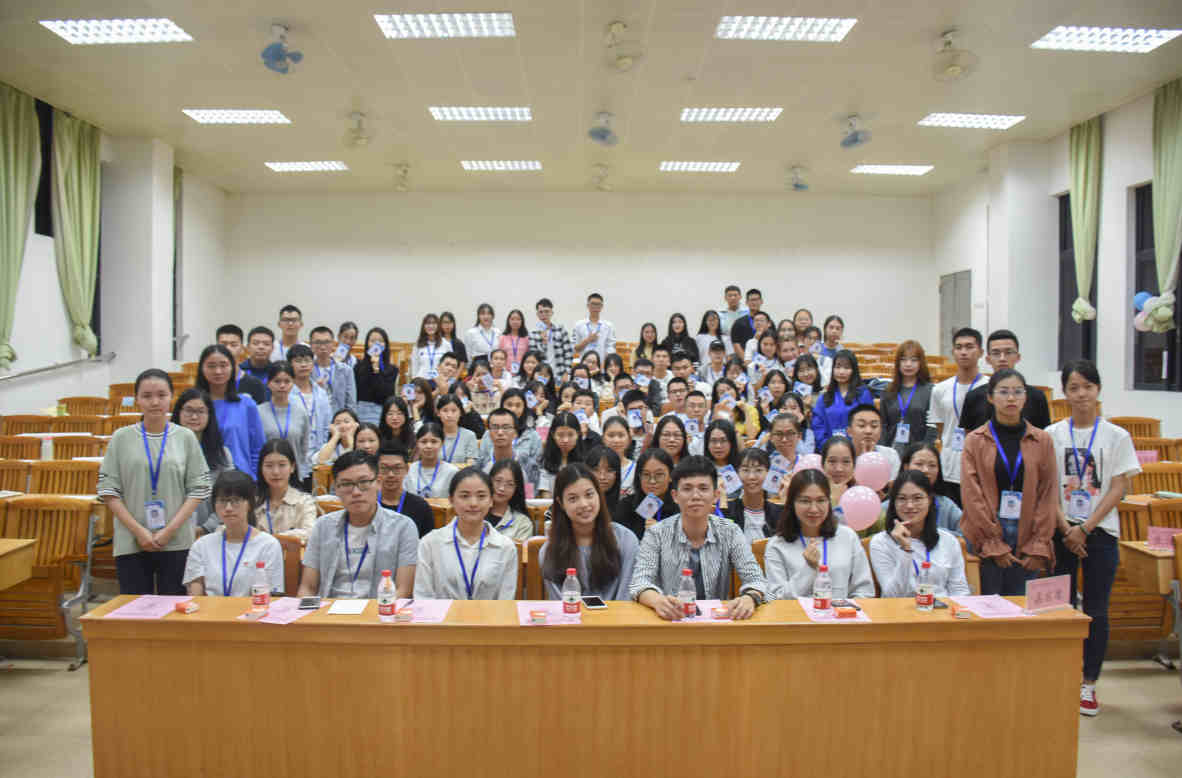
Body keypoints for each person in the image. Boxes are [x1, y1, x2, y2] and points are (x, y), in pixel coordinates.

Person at [1047, 360, 1141, 715]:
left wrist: (1085, 528)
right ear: (1065, 393)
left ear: (1098, 390)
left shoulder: (1117, 436)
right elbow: (1047, 487)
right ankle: (1061, 675)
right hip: (1062, 531)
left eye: (1087, 386)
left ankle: (1088, 683)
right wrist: (1066, 528)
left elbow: (1118, 487)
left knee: (1097, 610)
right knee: (1058, 607)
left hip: (1100, 532)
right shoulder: (1052, 434)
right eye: (1074, 387)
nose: (1081, 394)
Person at [98, 369, 211, 595]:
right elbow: (108, 490)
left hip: (176, 539)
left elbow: (198, 488)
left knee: (174, 606)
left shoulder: (185, 437)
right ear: (137, 399)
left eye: (161, 395)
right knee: (135, 608)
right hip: (132, 539)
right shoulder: (121, 437)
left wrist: (169, 531)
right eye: (147, 396)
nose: (155, 402)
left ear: (171, 397)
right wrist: (139, 532)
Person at [629, 456, 767, 620]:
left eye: (703, 488)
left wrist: (750, 598)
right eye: (687, 489)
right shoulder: (656, 533)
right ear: (675, 495)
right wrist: (658, 601)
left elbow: (756, 579)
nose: (695, 496)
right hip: (670, 620)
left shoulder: (731, 531)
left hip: (716, 623)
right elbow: (640, 582)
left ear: (716, 495)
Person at [960, 369, 1057, 596]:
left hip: (1028, 533)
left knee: (1021, 607)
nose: (1011, 398)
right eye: (1003, 392)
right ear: (990, 397)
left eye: (1017, 392)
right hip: (985, 531)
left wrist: (1038, 543)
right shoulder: (975, 440)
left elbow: (1048, 493)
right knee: (987, 605)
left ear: (1025, 397)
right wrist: (992, 542)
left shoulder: (1042, 440)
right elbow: (972, 494)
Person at [298, 451, 418, 599]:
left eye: (364, 482)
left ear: (378, 483)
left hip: (379, 609)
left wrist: (375, 612)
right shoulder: (323, 526)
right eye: (346, 484)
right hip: (329, 608)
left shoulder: (403, 527)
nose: (356, 492)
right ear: (336, 489)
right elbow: (307, 587)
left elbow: (403, 590)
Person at [763, 469, 874, 601]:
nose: (814, 509)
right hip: (794, 614)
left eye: (821, 500)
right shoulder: (777, 545)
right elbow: (775, 600)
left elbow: (864, 590)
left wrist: (847, 610)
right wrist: (809, 568)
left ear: (829, 502)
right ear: (792, 503)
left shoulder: (848, 537)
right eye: (805, 501)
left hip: (842, 613)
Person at [414, 467, 519, 599]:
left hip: (491, 613)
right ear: (451, 500)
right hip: (440, 613)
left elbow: (506, 601)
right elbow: (422, 598)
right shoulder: (430, 543)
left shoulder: (506, 547)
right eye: (464, 496)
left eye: (481, 496)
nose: (473, 503)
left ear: (491, 500)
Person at [541, 463, 639, 599]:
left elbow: (626, 597)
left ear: (598, 494)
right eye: (573, 498)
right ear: (561, 503)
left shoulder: (625, 540)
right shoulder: (549, 552)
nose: (584, 504)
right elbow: (561, 604)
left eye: (589, 495)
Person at [869, 470, 971, 598]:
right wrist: (905, 550)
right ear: (893, 503)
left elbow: (960, 590)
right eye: (902, 498)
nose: (910, 505)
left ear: (930, 500)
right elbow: (893, 595)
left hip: (942, 608)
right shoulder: (881, 542)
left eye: (917, 498)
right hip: (899, 610)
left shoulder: (949, 541)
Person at [183, 470, 283, 596]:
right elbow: (195, 598)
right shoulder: (201, 545)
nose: (228, 508)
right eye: (222, 501)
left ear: (250, 504)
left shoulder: (268, 545)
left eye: (236, 500)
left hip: (253, 607)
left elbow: (272, 597)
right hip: (210, 608)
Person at [929, 327, 985, 506]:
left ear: (981, 352)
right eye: (959, 347)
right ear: (953, 352)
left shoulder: (991, 387)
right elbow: (940, 430)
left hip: (980, 466)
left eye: (969, 347)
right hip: (949, 466)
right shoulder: (939, 390)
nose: (964, 352)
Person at [959, 329, 1052, 432]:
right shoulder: (973, 397)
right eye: (996, 353)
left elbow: (1043, 436)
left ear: (1018, 357)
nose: (1002, 358)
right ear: (988, 359)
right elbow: (968, 438)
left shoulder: (1037, 397)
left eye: (1008, 352)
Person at [196, 344, 265, 480]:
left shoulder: (246, 403)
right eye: (211, 366)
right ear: (202, 369)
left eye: (223, 365)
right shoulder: (194, 405)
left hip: (241, 480)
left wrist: (255, 479)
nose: (218, 371)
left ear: (233, 367)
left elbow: (258, 448)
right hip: (204, 480)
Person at [173, 388, 234, 537]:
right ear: (178, 413)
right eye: (188, 410)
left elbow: (229, 495)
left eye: (201, 411)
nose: (194, 416)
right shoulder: (165, 452)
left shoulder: (222, 455)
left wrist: (206, 528)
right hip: (171, 533)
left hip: (210, 533)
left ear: (209, 415)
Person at [879, 340, 937, 454]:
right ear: (898, 363)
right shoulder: (888, 391)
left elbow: (932, 427)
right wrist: (884, 451)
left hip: (919, 452)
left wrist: (924, 451)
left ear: (921, 363)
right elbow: (883, 425)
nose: (908, 364)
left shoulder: (930, 390)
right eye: (903, 359)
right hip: (891, 451)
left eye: (913, 360)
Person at [259, 362, 312, 485]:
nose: (282, 386)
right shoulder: (258, 412)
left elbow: (303, 448)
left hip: (293, 475)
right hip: (266, 476)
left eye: (287, 381)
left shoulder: (301, 412)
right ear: (268, 383)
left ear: (293, 383)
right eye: (277, 381)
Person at [897, 443, 963, 537]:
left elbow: (967, 538)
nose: (926, 470)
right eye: (919, 464)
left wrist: (932, 532)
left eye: (932, 465)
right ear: (906, 467)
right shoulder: (889, 505)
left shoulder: (946, 505)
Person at [255, 438, 317, 539]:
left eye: (282, 465)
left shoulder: (305, 502)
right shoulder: (253, 501)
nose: (275, 472)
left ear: (292, 467)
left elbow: (310, 533)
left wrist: (272, 540)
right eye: (269, 466)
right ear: (261, 468)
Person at [810, 349, 873, 446]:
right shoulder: (825, 397)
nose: (841, 372)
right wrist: (827, 446)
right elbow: (818, 426)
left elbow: (868, 423)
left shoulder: (863, 394)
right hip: (829, 449)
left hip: (857, 448)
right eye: (838, 367)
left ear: (854, 370)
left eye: (847, 367)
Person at [287, 344, 332, 478]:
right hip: (294, 451)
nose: (303, 365)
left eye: (307, 360)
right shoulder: (286, 393)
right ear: (289, 364)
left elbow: (327, 424)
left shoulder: (321, 393)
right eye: (298, 361)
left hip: (318, 454)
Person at [614, 448, 678, 539]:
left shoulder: (680, 507)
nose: (652, 481)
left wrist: (663, 533)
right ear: (639, 477)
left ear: (670, 476)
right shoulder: (626, 506)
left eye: (659, 474)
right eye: (646, 475)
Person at [376, 441, 436, 538]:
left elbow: (427, 542)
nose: (391, 474)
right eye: (384, 468)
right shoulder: (369, 503)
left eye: (397, 468)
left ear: (407, 469)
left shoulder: (421, 507)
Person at [477, 407, 542, 490]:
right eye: (495, 427)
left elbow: (529, 495)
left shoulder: (528, 465)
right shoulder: (480, 465)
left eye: (506, 427)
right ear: (489, 433)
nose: (500, 432)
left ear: (515, 433)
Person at [726, 448, 783, 541]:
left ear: (769, 474)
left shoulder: (779, 512)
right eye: (745, 470)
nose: (751, 477)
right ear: (737, 474)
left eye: (759, 470)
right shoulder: (728, 510)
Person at [354, 326, 398, 425]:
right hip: (361, 411)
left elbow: (385, 395)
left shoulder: (392, 369)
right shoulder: (358, 367)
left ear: (386, 345)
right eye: (372, 341)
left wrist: (376, 369)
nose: (376, 344)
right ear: (367, 344)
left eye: (380, 341)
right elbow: (358, 393)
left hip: (382, 411)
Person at [308, 325, 357, 415]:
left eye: (327, 342)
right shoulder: (307, 370)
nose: (323, 347)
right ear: (311, 345)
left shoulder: (346, 370)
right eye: (318, 342)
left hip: (338, 418)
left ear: (333, 344)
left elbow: (351, 403)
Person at [847, 404, 902, 482]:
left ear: (880, 431)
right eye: (861, 425)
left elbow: (892, 487)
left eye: (874, 426)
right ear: (849, 431)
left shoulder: (890, 455)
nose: (868, 431)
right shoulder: (841, 456)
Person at [405, 423, 459, 499]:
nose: (428, 446)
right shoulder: (409, 470)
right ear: (417, 443)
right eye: (424, 442)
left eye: (434, 442)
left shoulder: (452, 471)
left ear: (442, 443)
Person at [215, 324, 266, 403]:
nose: (228, 348)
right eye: (223, 344)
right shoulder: (208, 381)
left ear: (242, 349)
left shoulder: (254, 384)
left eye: (233, 345)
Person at [537, 412, 584, 497]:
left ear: (578, 434)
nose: (565, 440)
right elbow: (545, 492)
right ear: (553, 435)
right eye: (560, 435)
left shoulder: (585, 461)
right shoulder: (545, 460)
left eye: (570, 435)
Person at [487, 459, 535, 540]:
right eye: (498, 481)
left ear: (516, 488)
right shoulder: (475, 512)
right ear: (490, 480)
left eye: (510, 484)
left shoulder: (523, 523)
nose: (502, 488)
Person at [529, 298, 573, 381]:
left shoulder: (560, 330)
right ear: (537, 314)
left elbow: (568, 353)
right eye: (541, 312)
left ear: (551, 313)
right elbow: (534, 357)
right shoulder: (533, 333)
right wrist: (543, 343)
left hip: (560, 373)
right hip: (542, 374)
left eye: (546, 311)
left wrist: (567, 372)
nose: (544, 314)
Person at [710, 378, 759, 443]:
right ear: (717, 398)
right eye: (722, 392)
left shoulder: (750, 409)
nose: (727, 393)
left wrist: (745, 411)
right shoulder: (716, 412)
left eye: (729, 389)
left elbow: (751, 436)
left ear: (735, 390)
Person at [435, 394, 479, 466]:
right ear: (438, 413)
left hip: (462, 472)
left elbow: (471, 464)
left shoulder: (469, 436)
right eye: (445, 410)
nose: (449, 415)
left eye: (454, 411)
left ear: (460, 413)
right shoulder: (433, 434)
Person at [571, 292, 617, 360]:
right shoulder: (579, 325)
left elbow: (611, 347)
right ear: (588, 305)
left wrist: (606, 360)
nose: (595, 307)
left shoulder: (608, 326)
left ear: (602, 306)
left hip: (601, 363)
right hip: (584, 364)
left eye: (598, 304)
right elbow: (574, 349)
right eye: (593, 304)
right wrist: (587, 340)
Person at [705, 420, 742, 502]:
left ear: (732, 443)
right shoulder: (700, 468)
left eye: (723, 440)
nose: (718, 446)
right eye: (713, 441)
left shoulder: (742, 468)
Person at [600, 415, 637, 499]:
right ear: (603, 439)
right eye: (611, 435)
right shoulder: (595, 468)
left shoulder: (636, 468)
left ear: (629, 439)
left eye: (621, 435)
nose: (616, 440)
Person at [728, 288, 765, 361]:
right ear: (746, 303)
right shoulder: (738, 323)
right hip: (745, 361)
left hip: (764, 360)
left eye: (756, 300)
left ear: (761, 301)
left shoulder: (767, 321)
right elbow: (736, 344)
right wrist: (747, 361)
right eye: (751, 300)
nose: (754, 302)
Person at [584, 444, 623, 514]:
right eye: (596, 470)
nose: (602, 477)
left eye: (609, 470)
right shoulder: (580, 505)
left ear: (617, 474)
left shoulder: (624, 507)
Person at [412, 313, 450, 379]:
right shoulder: (418, 345)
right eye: (428, 323)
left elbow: (450, 365)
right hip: (422, 380)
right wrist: (414, 380)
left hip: (440, 380)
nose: (431, 326)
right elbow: (415, 366)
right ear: (423, 327)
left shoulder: (446, 344)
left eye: (434, 323)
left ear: (438, 326)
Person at [499, 309, 531, 377]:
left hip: (523, 373)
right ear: (508, 321)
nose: (515, 322)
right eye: (512, 319)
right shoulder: (502, 337)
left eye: (518, 319)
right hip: (506, 373)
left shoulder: (527, 338)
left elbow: (528, 357)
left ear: (522, 321)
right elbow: (500, 356)